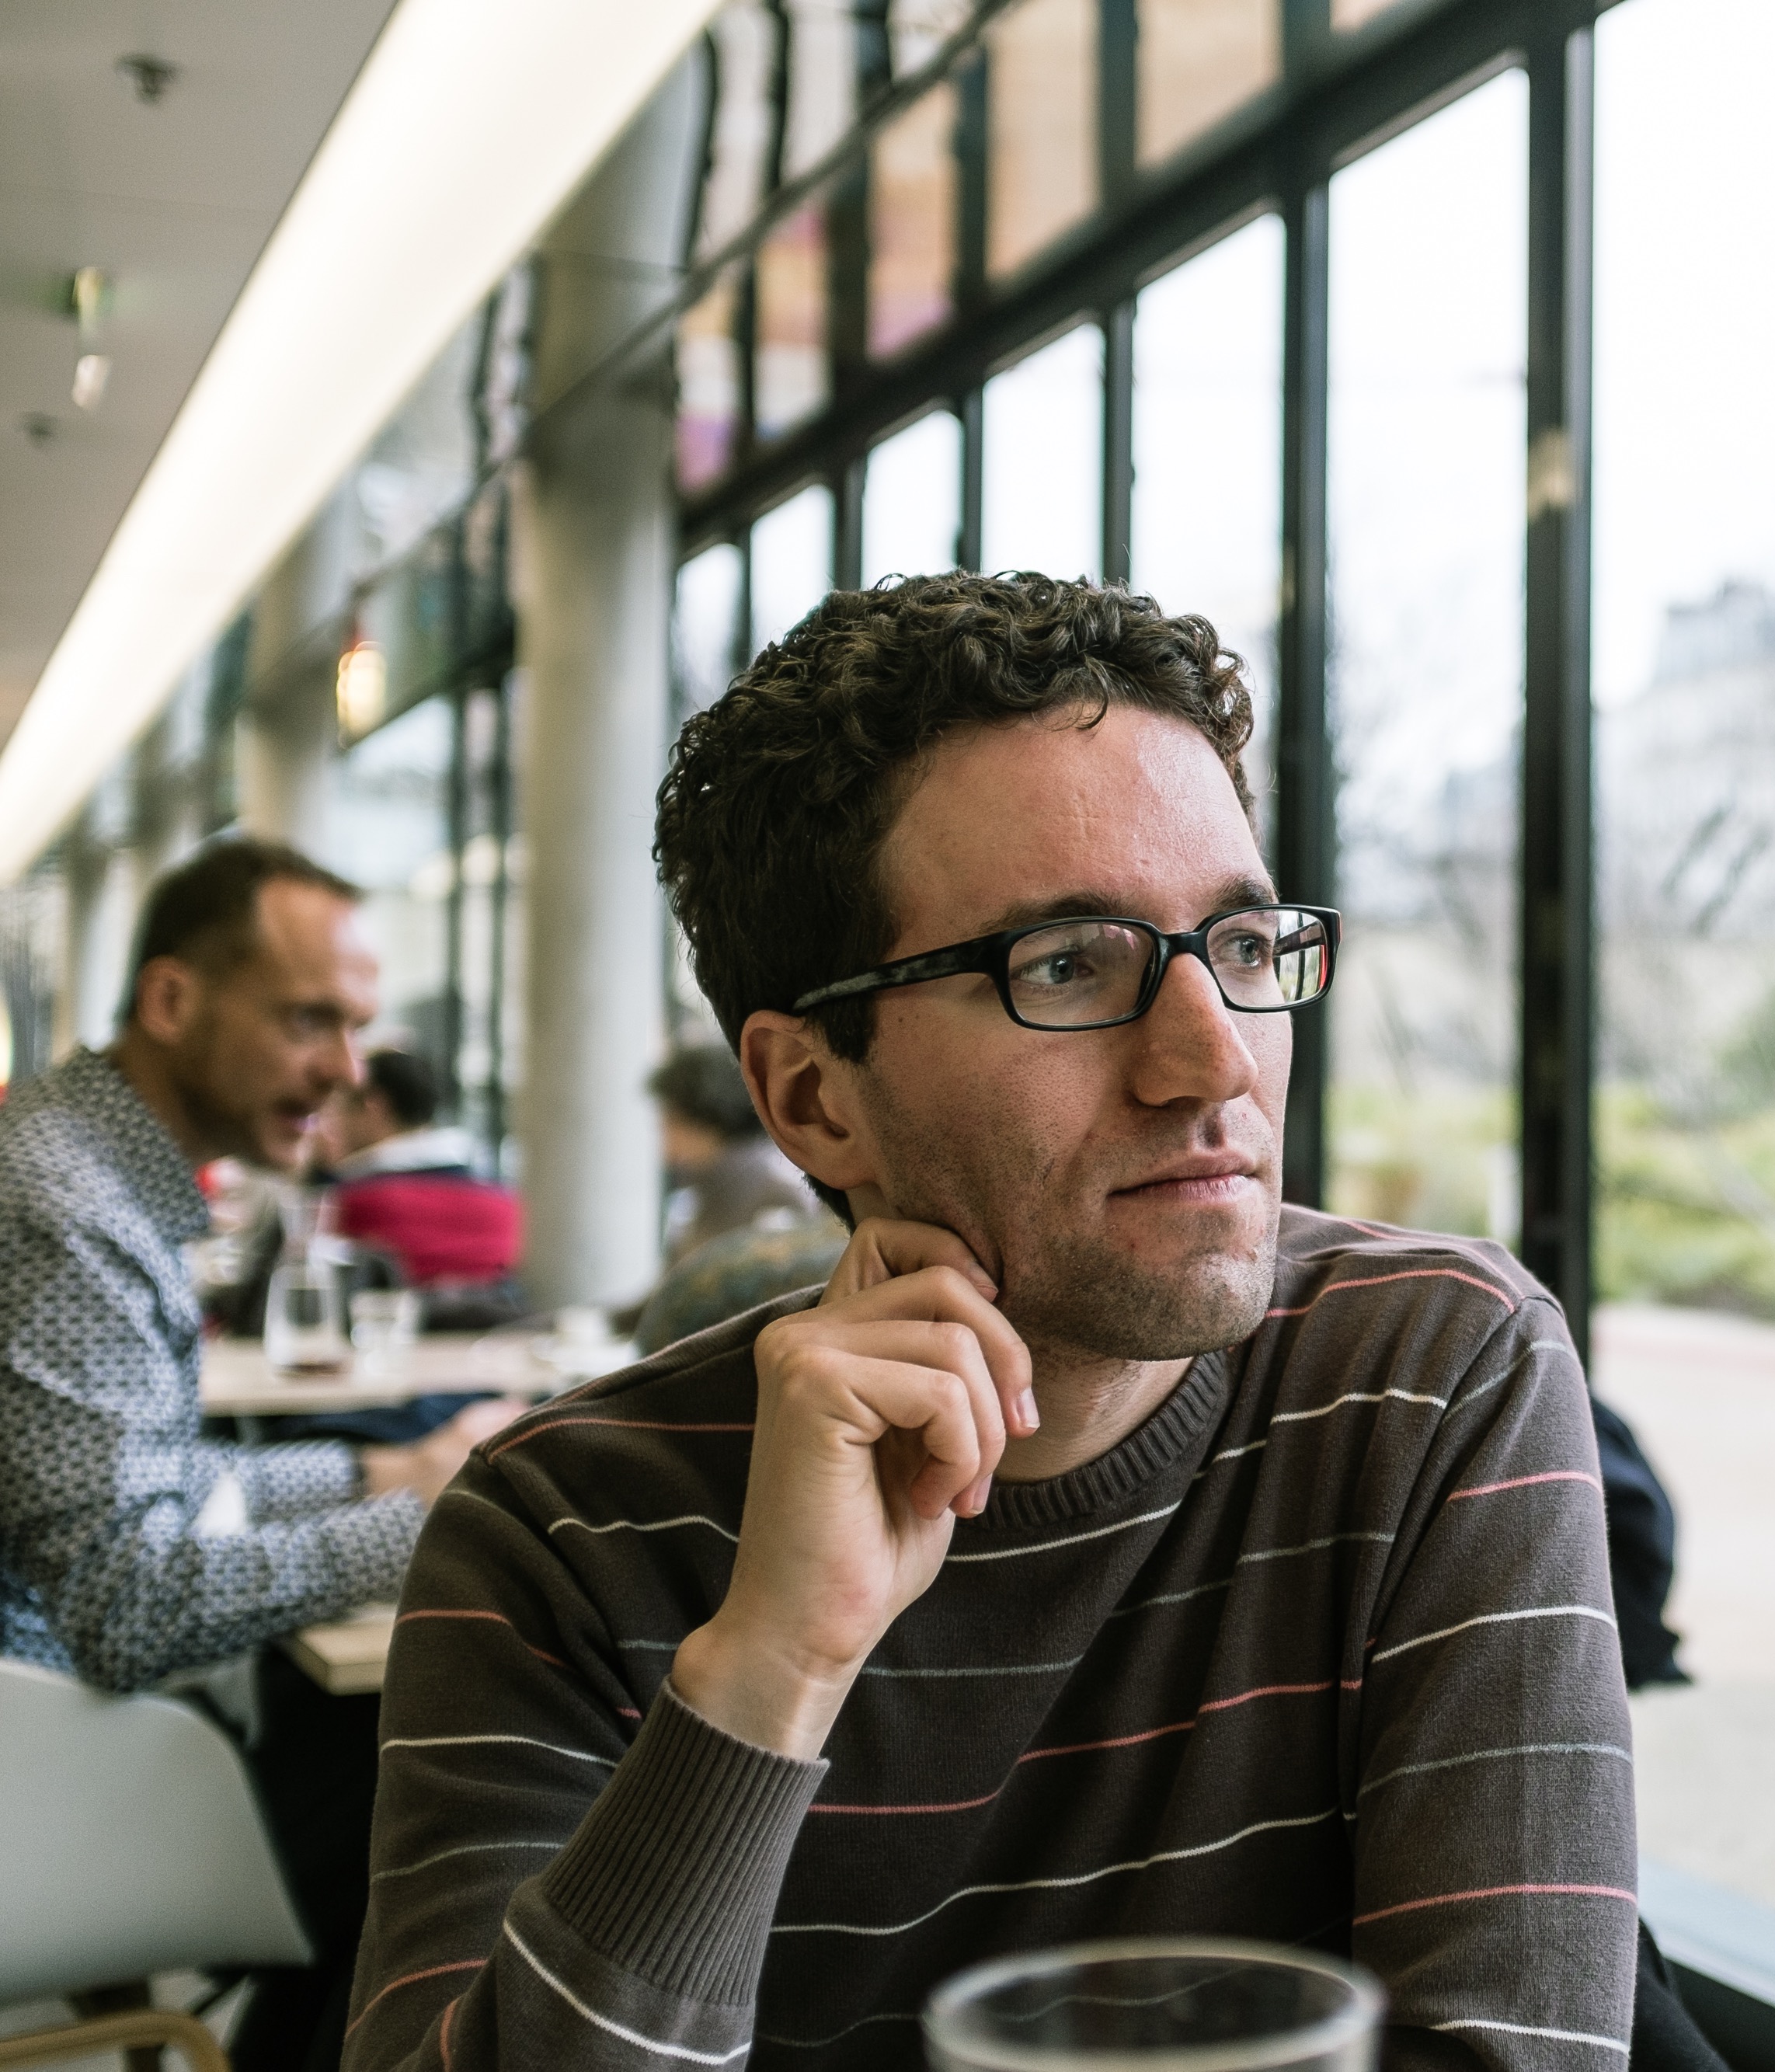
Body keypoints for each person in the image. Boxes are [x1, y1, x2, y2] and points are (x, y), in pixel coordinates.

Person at [348, 574, 1687, 2070]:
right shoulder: (555, 1535)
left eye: (1243, 950)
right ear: (811, 1095)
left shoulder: (1431, 1377)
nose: (1213, 1063)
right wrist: (774, 1667)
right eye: (1066, 966)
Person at [0, 838, 520, 2071]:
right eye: (307, 1021)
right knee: (446, 1769)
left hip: (47, 1734)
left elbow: (154, 1476)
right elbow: (126, 1599)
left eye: (354, 1028)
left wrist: (378, 1474)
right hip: (36, 1779)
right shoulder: (65, 1211)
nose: (345, 1069)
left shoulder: (80, 1169)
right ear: (174, 1000)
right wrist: (451, 1519)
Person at [322, 1049, 525, 1321]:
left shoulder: (352, 1202)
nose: (332, 1125)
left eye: (340, 1109)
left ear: (374, 1106)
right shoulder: (504, 1200)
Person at [649, 1042, 818, 1264]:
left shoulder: (773, 1198)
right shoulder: (709, 1188)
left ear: (707, 1119)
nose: (663, 1134)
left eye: (672, 1121)